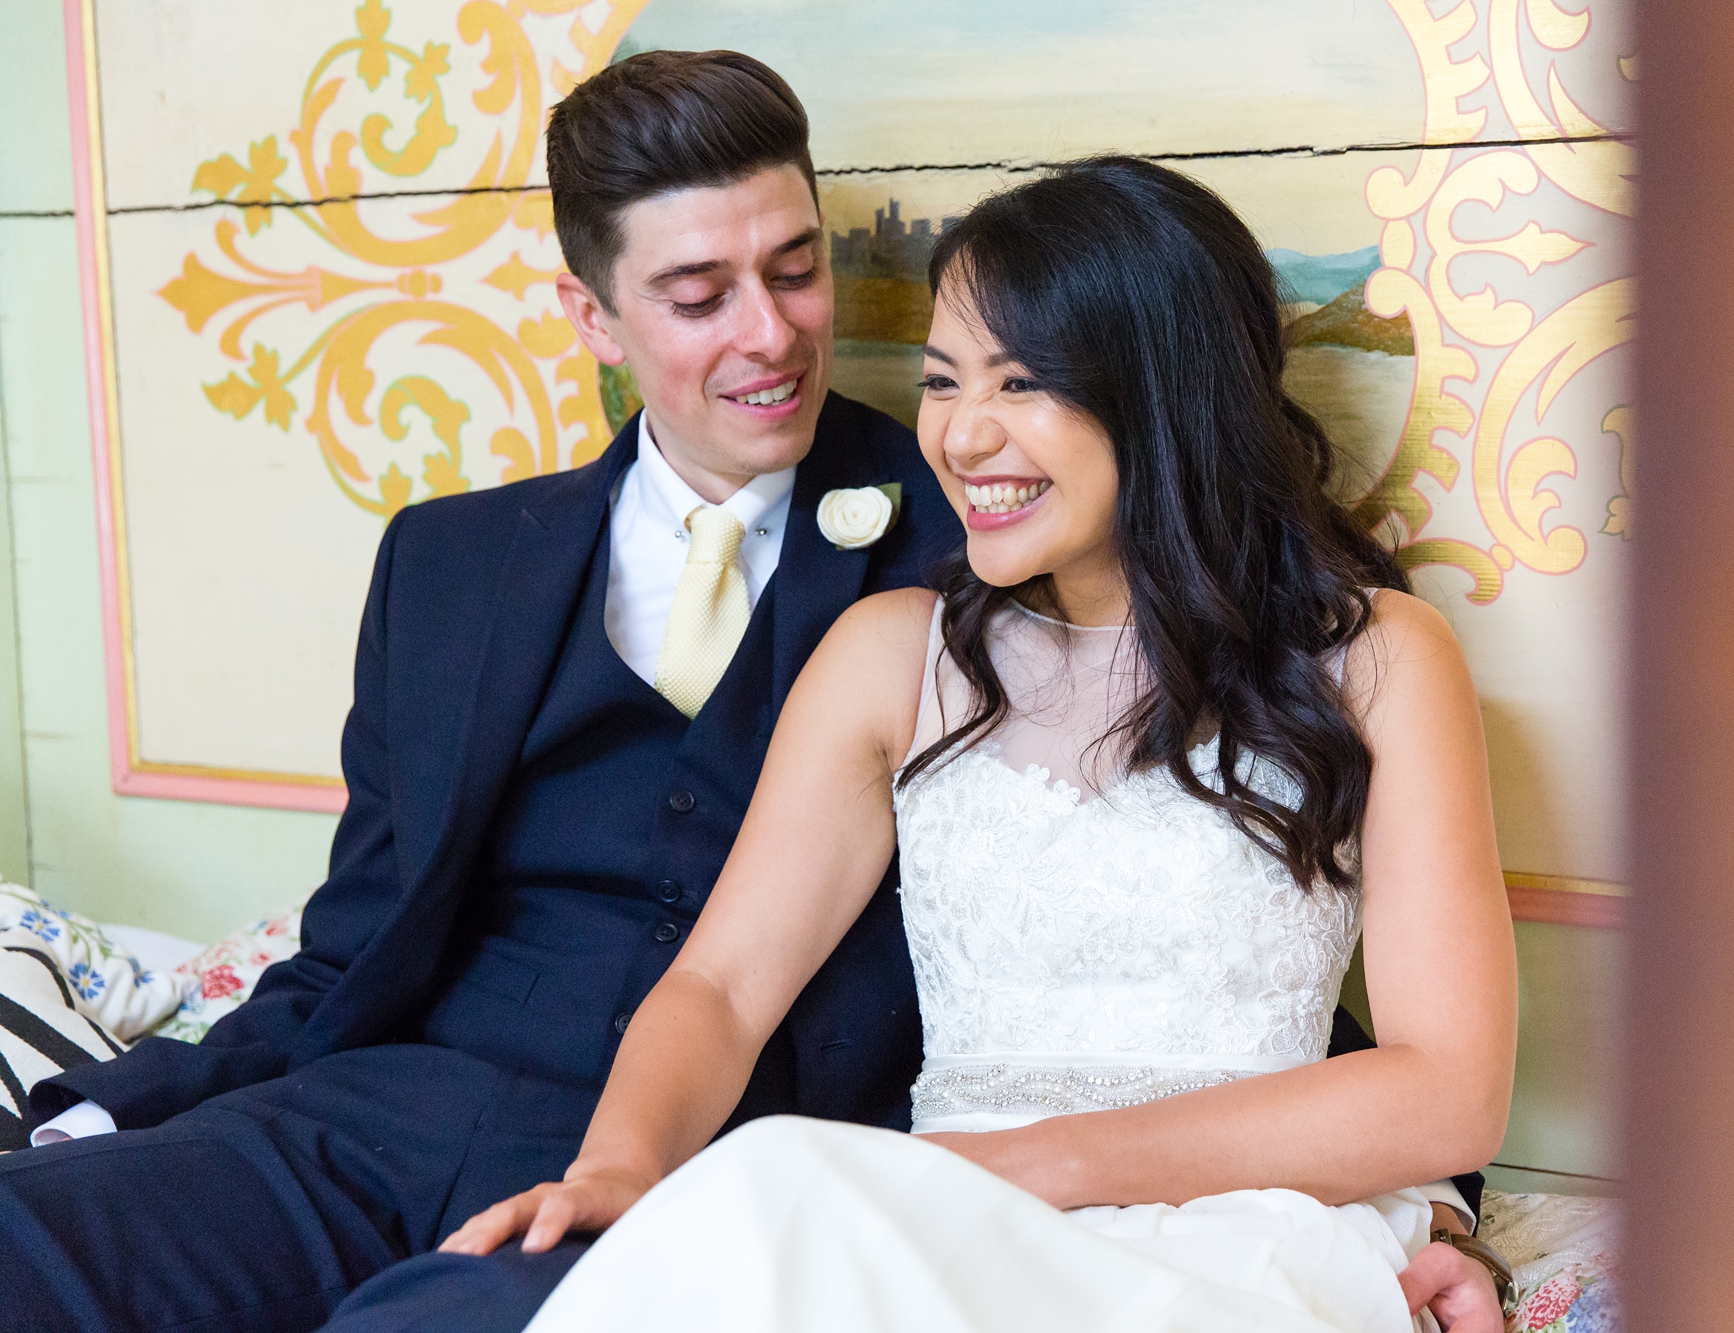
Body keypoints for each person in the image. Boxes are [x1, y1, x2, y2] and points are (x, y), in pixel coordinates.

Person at [445, 157, 1520, 1333]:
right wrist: (619, 1167)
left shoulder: (1376, 661)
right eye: (943, 381)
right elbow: (718, 985)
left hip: (1243, 1237)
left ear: (1159, 394)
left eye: (1018, 384)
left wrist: (1041, 1167)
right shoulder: (890, 657)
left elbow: (1448, 1089)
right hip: (940, 1229)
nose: (961, 435)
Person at [0, 51, 961, 1333]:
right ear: (591, 316)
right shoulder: (445, 563)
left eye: (795, 268)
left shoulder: (968, 548)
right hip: (381, 1107)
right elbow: (354, 940)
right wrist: (124, 1102)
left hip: (715, 1158)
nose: (771, 333)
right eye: (698, 294)